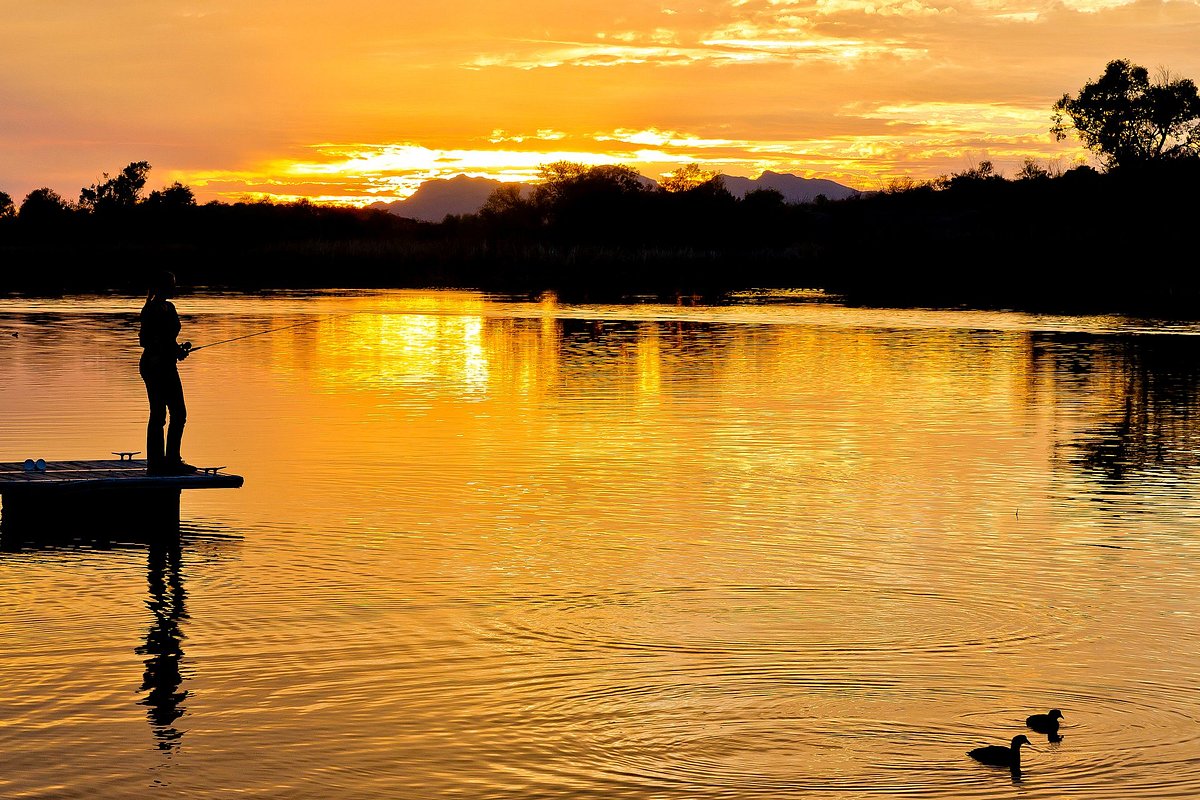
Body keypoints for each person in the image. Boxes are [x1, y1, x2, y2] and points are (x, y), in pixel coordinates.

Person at [139, 270, 195, 475]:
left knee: (179, 413)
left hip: (168, 366)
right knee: (159, 415)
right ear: (162, 287)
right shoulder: (151, 310)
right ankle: (156, 464)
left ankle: (172, 460)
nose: (175, 287)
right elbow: (145, 341)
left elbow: (168, 339)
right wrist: (171, 350)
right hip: (153, 366)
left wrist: (178, 350)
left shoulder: (170, 308)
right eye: (171, 284)